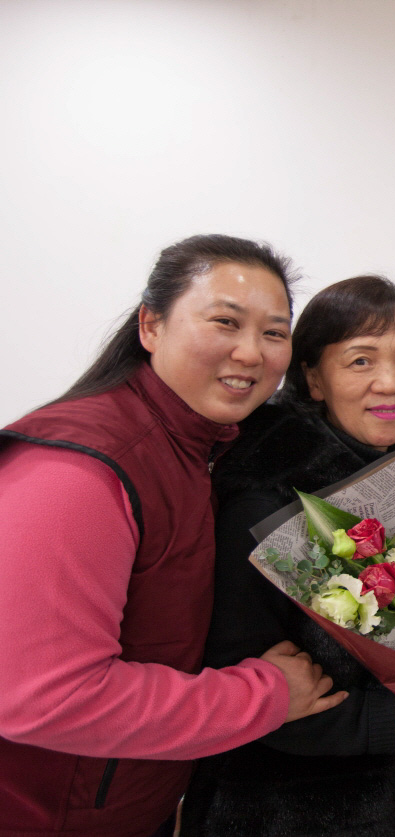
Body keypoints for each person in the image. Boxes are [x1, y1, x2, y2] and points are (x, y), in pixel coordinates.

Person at [0, 235, 346, 837]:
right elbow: (47, 697)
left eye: (274, 332)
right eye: (225, 322)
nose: (251, 352)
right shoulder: (81, 472)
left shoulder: (204, 448)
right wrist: (264, 695)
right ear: (150, 325)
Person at [181, 276, 395, 837]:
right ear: (314, 379)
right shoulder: (267, 497)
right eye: (360, 361)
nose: (390, 383)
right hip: (291, 805)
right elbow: (230, 680)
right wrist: (379, 722)